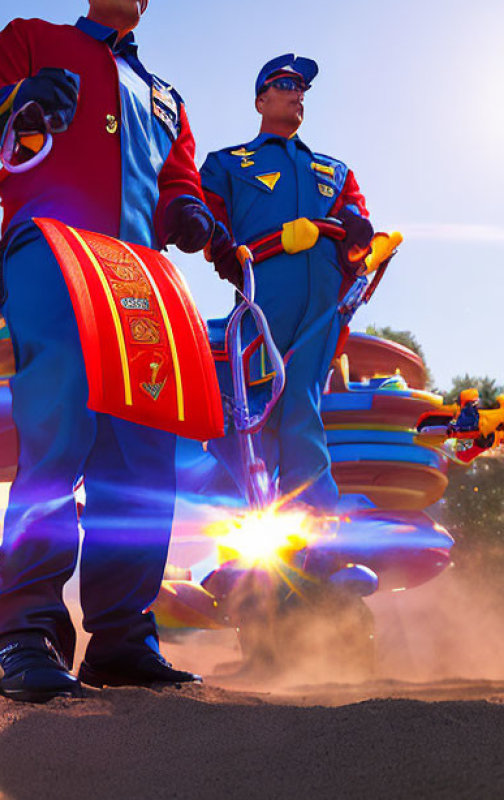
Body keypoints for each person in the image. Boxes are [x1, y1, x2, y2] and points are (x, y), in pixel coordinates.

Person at [0, 0, 224, 702]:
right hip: (51, 245)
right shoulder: (32, 39)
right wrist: (17, 98)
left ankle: (122, 638)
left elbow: (176, 180)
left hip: (141, 276)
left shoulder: (168, 98)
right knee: (59, 422)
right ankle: (23, 629)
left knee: (143, 453)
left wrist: (186, 210)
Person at [200, 55, 374, 512]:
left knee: (301, 405)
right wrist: (224, 252)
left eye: (301, 87)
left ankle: (315, 534)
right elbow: (207, 218)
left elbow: (358, 221)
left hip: (323, 302)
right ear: (261, 100)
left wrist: (359, 236)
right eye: (285, 84)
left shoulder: (334, 171)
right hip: (265, 292)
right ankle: (228, 528)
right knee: (251, 404)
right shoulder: (227, 163)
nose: (297, 93)